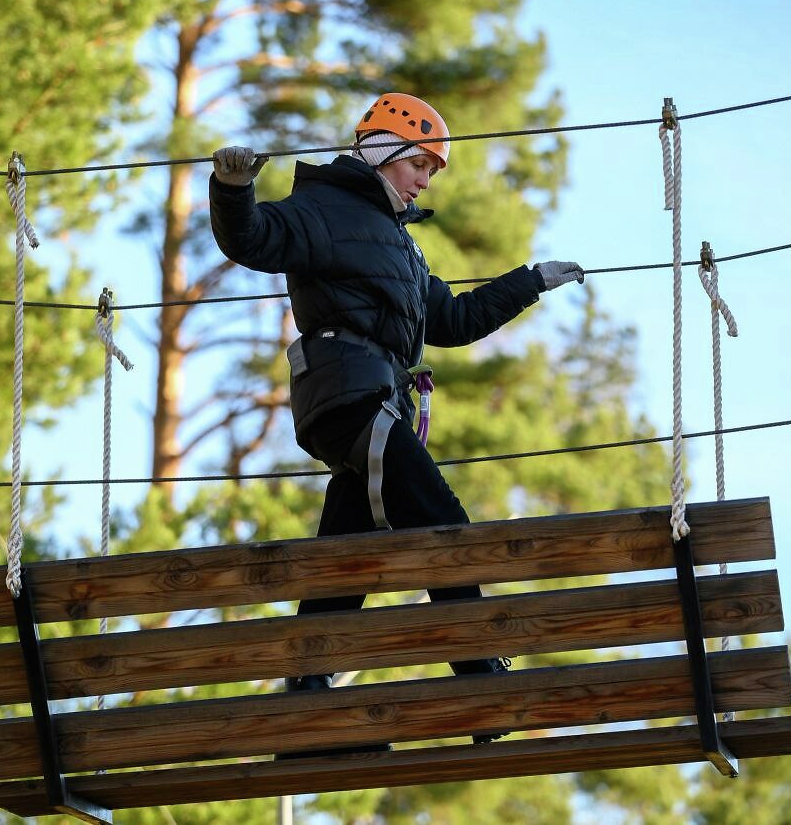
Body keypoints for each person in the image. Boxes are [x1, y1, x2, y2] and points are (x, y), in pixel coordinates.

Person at [209, 92, 583, 748]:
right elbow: (252, 239)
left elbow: (455, 321)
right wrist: (232, 187)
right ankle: (479, 676)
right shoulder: (321, 208)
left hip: (378, 401)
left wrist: (529, 281)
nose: (426, 179)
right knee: (439, 518)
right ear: (381, 151)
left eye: (434, 170)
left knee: (347, 558)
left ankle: (308, 703)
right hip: (348, 393)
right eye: (419, 162)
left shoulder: (403, 251)